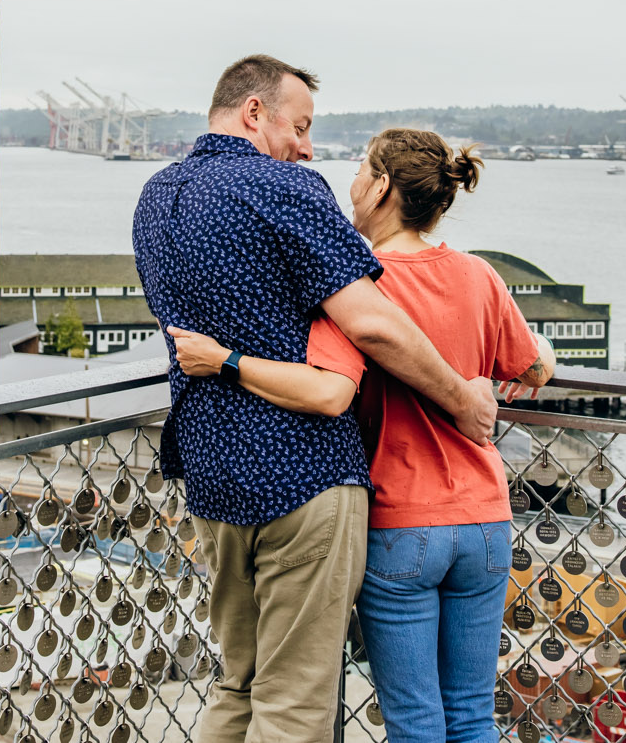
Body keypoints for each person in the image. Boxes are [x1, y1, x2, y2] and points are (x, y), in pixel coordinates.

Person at [134, 56, 498, 743]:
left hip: (212, 478)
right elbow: (371, 322)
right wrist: (460, 399)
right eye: (299, 126)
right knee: (295, 701)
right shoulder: (287, 189)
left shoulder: (156, 198)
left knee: (236, 683)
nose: (306, 147)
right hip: (302, 479)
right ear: (253, 113)